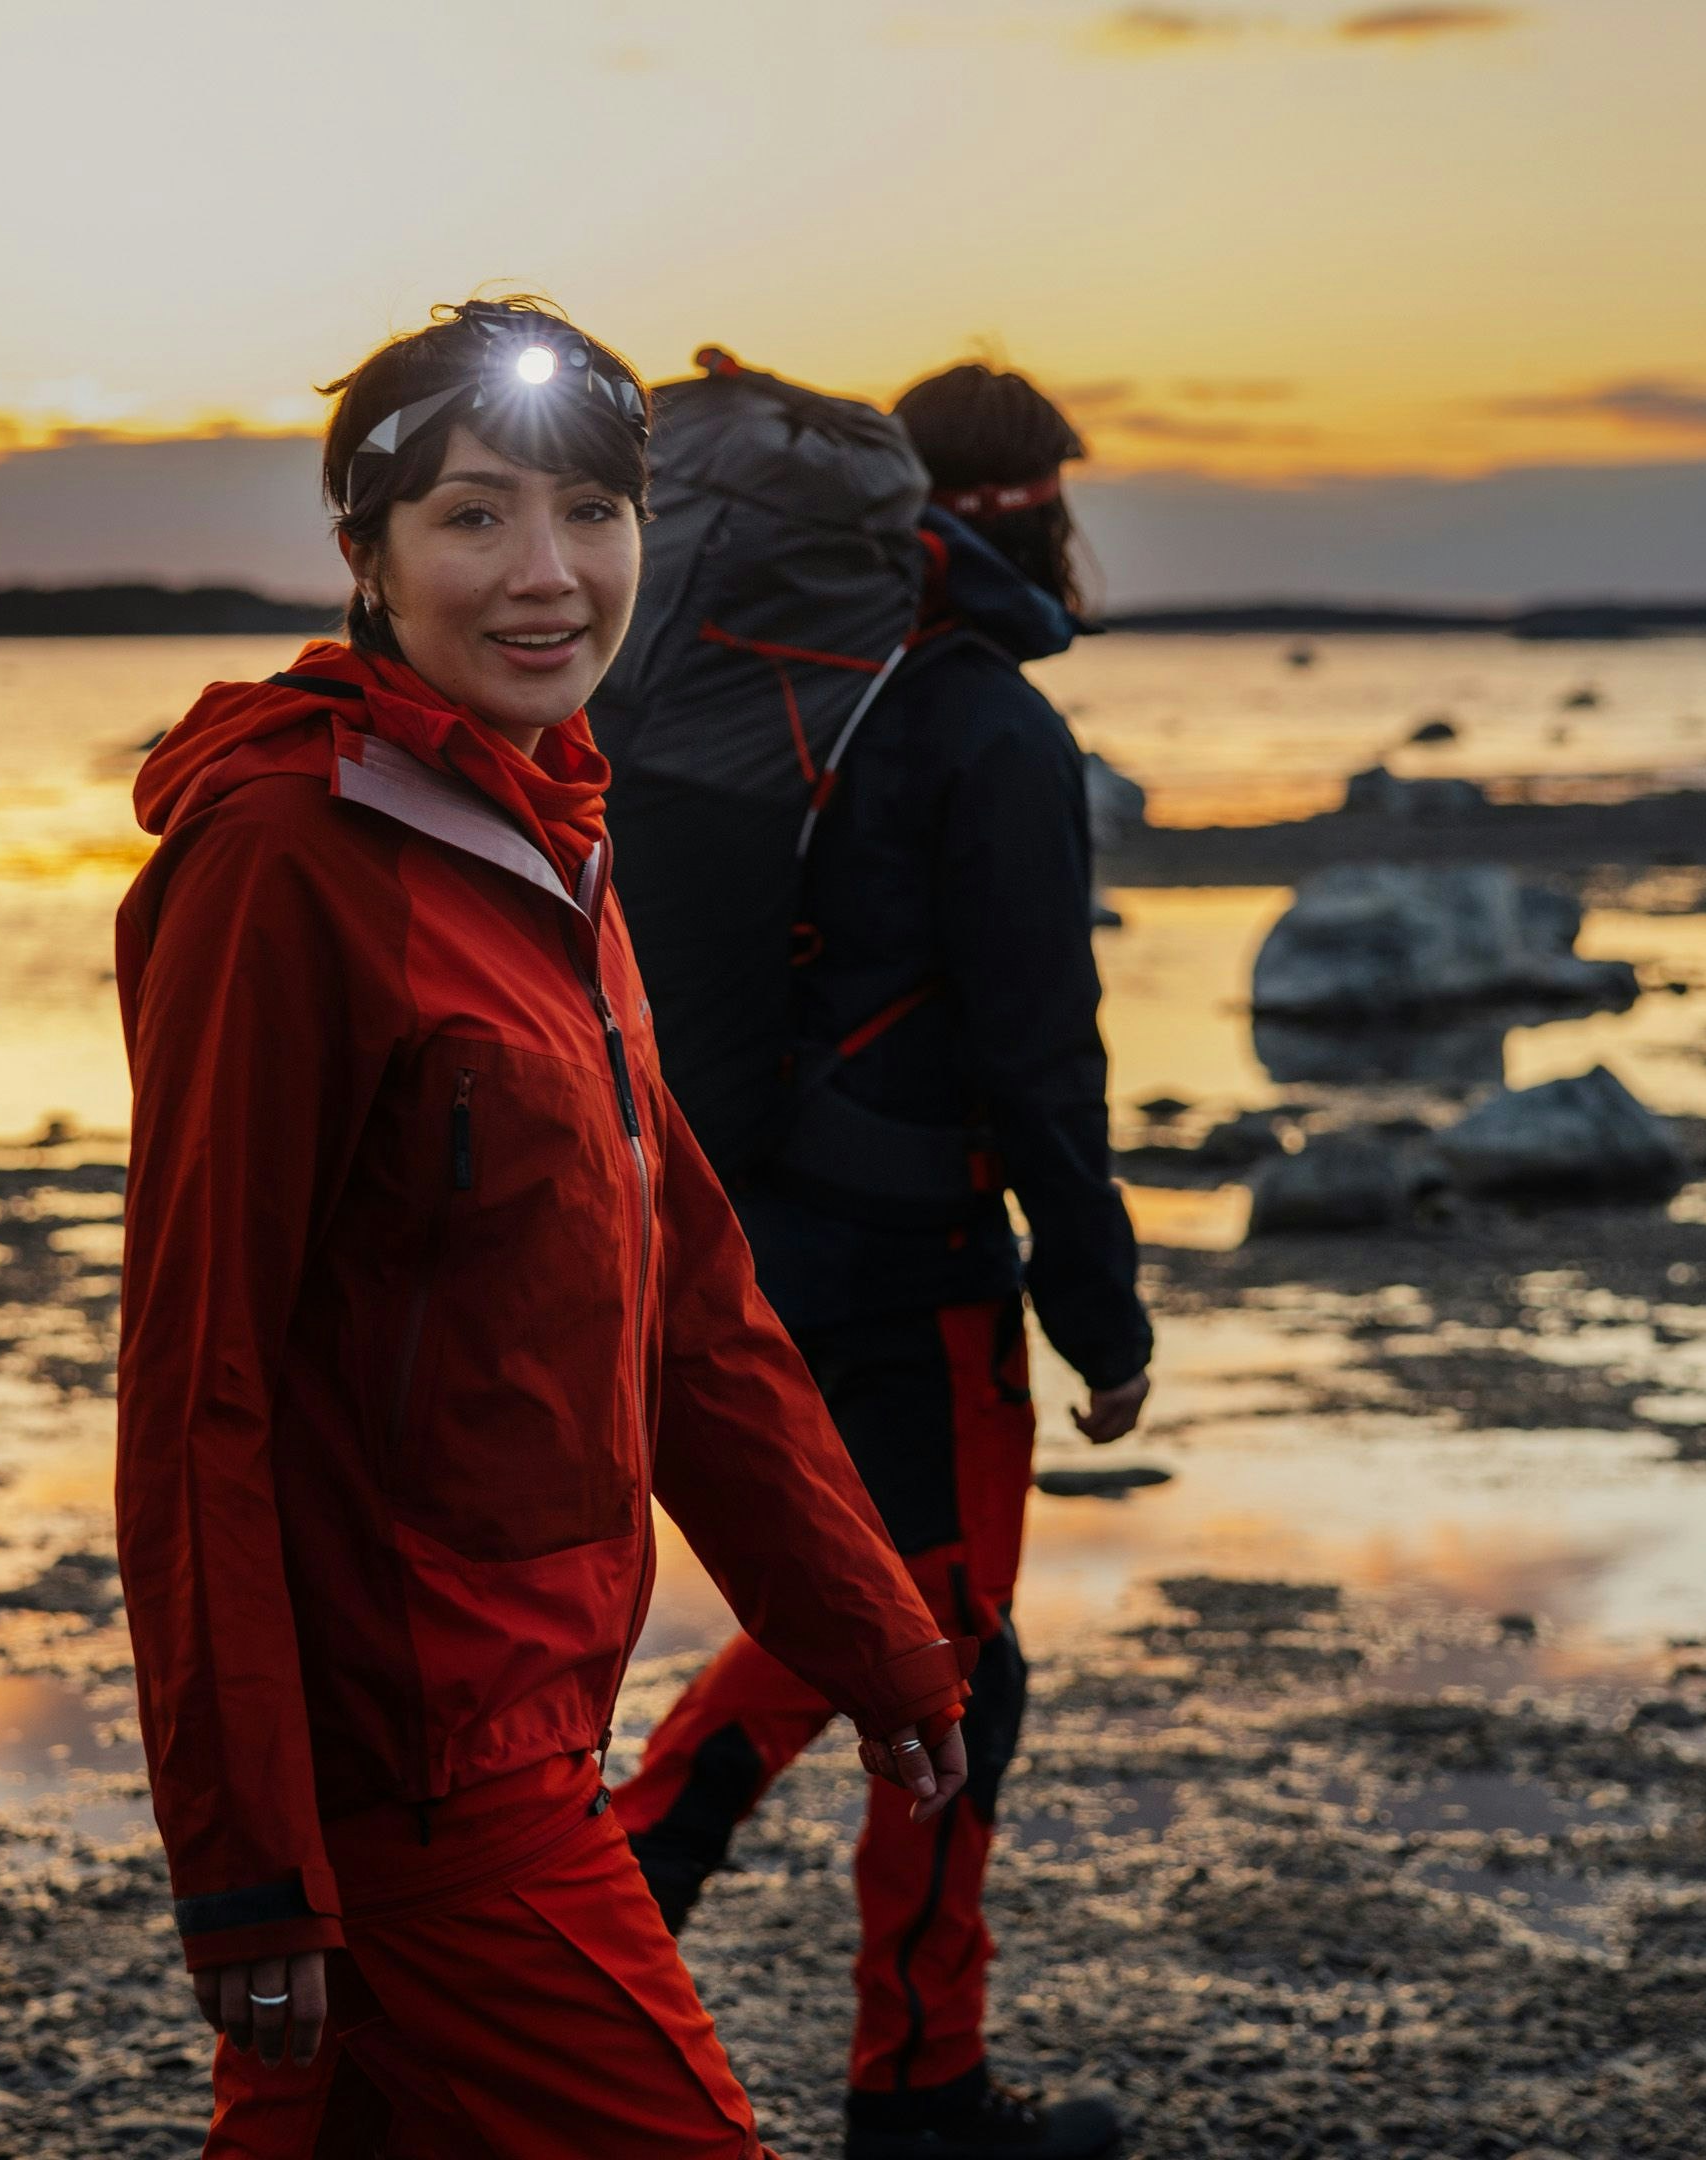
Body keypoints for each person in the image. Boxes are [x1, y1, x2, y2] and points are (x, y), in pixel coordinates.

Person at [114, 298, 981, 2160]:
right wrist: (249, 1857)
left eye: (594, 513)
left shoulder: (548, 840)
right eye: (475, 516)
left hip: (523, 1715)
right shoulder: (285, 865)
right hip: (416, 1779)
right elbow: (201, 1391)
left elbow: (693, 1315)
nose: (548, 575)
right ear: (366, 553)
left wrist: (877, 1636)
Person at [608, 363, 1150, 2160]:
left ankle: (646, 1933)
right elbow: (1040, 1050)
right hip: (912, 1265)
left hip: (760, 1229)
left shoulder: (805, 695)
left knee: (895, 1631)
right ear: (1022, 508)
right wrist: (1100, 1305)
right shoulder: (984, 725)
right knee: (942, 1649)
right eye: (1065, 492)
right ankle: (902, 2082)